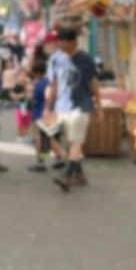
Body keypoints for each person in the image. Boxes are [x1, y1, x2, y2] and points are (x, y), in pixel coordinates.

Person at [46, 25, 99, 192]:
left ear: (74, 42)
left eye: (64, 43)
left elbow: (93, 83)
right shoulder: (55, 59)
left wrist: (99, 105)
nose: (61, 46)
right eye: (59, 42)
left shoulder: (86, 59)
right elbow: (53, 84)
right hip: (61, 106)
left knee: (75, 142)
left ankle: (66, 176)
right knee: (68, 142)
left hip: (81, 105)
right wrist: (48, 107)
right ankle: (80, 175)